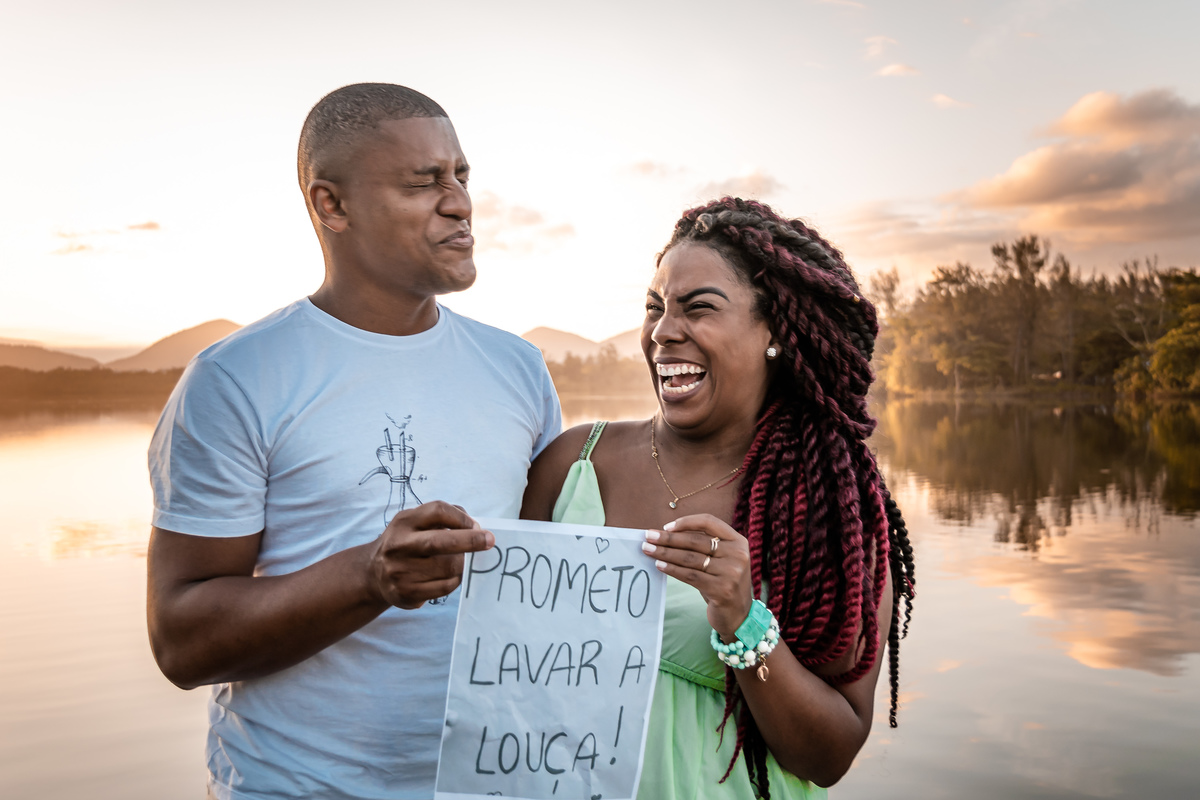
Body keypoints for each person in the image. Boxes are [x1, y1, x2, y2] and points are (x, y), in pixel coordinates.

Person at [146, 83, 561, 800]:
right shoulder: (237, 378)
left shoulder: (517, 367)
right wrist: (368, 578)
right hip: (294, 787)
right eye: (423, 183)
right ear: (330, 205)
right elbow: (181, 642)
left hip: (489, 786)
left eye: (461, 177)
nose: (460, 203)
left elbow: (551, 573)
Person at [522, 197, 916, 799]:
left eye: (698, 308)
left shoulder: (831, 508)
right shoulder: (572, 465)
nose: (663, 331)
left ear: (775, 335)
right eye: (654, 308)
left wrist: (742, 620)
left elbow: (829, 755)